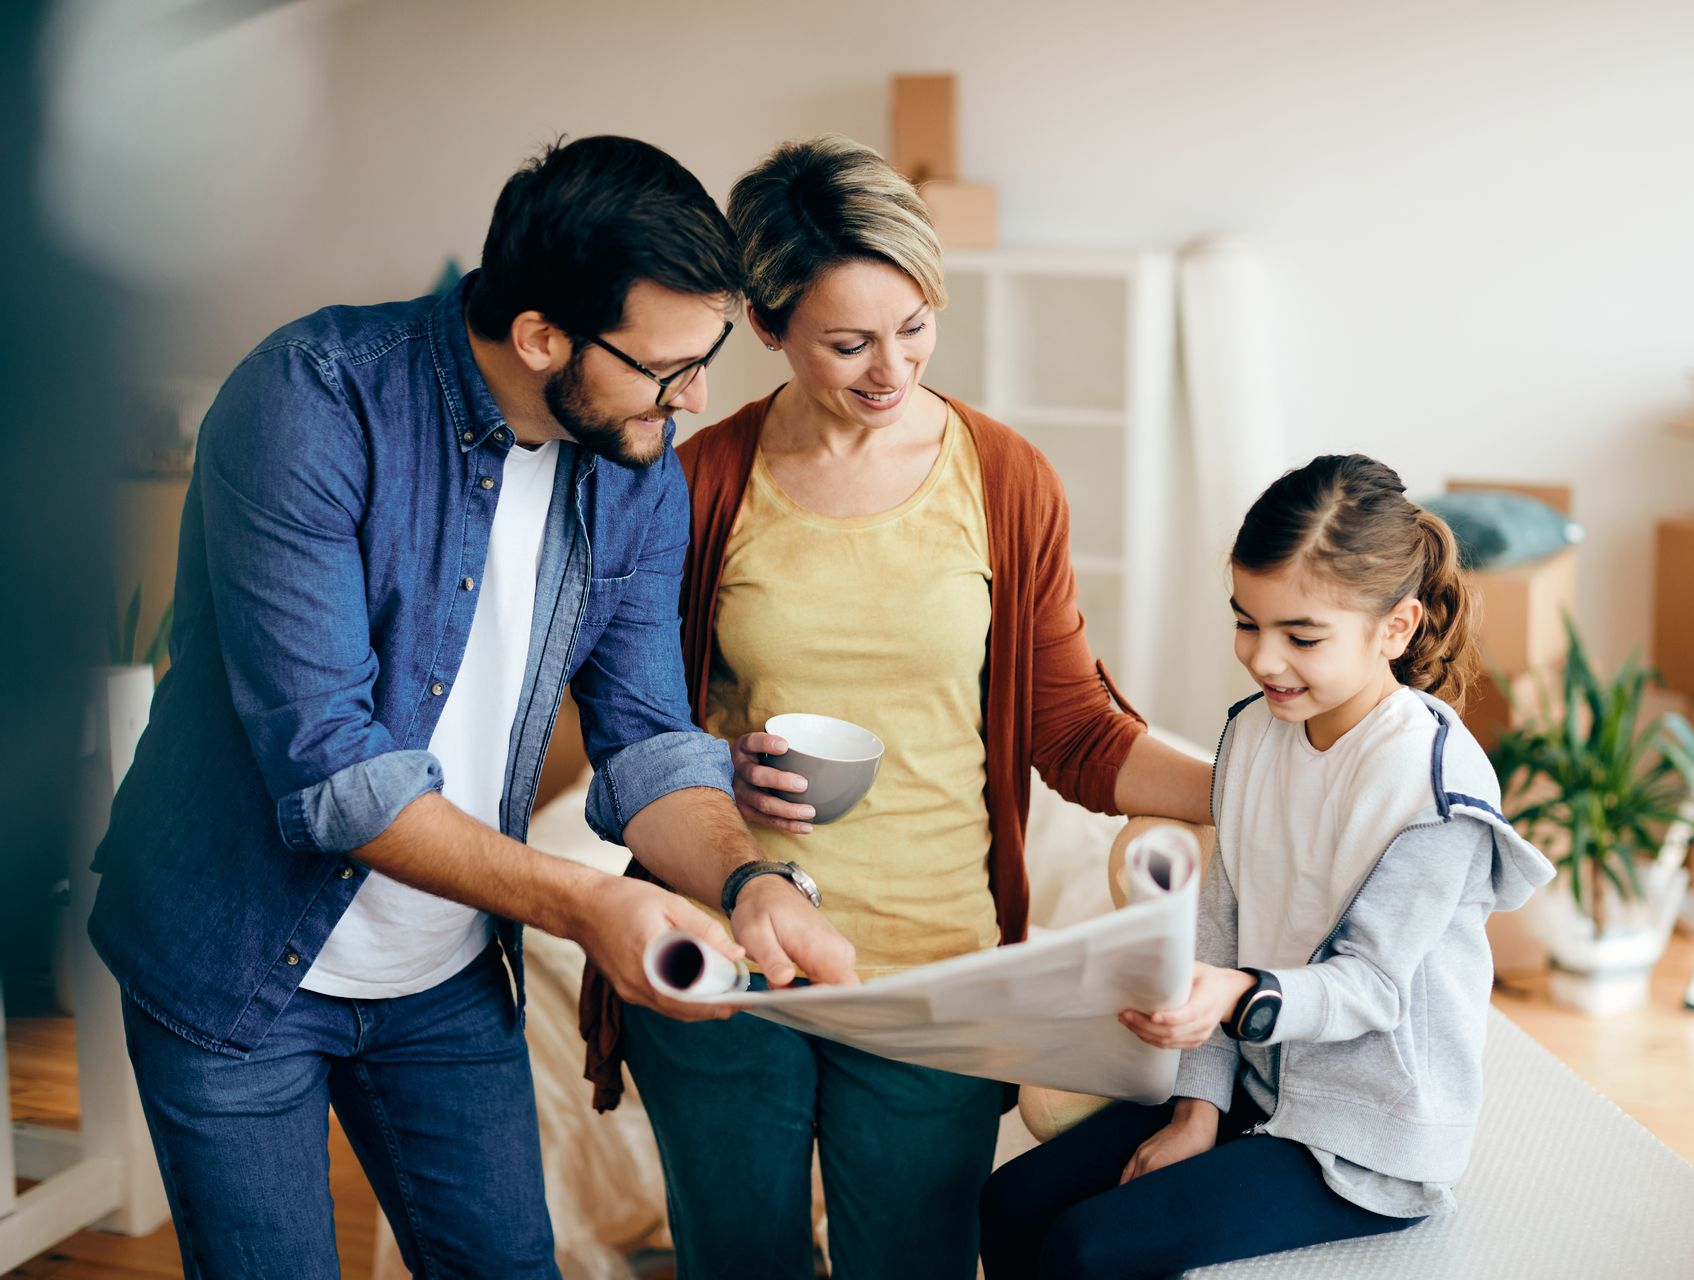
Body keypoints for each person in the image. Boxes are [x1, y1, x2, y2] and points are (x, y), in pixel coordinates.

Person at [88, 134, 856, 1279]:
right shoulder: (312, 399)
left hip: (441, 975)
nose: (693, 398)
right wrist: (588, 906)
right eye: (665, 366)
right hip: (236, 965)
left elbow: (646, 736)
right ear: (542, 335)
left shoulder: (634, 463)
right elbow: (335, 773)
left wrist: (750, 882)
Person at [579, 136, 1214, 1280]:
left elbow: (1072, 728)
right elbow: (620, 720)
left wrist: (1253, 777)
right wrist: (711, 767)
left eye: (914, 325)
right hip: (729, 953)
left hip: (934, 969)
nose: (892, 369)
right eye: (847, 341)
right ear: (765, 327)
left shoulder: (1004, 477)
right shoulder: (692, 479)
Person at [978, 454, 1556, 1278]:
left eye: (1301, 636)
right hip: (1256, 1080)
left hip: (1365, 1132)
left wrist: (1239, 997)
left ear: (1395, 628)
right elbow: (1219, 925)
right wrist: (1196, 1108)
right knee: (1009, 1202)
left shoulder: (1435, 788)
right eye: (1247, 622)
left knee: (1086, 1248)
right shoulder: (1254, 735)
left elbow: (1373, 987)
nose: (1264, 659)